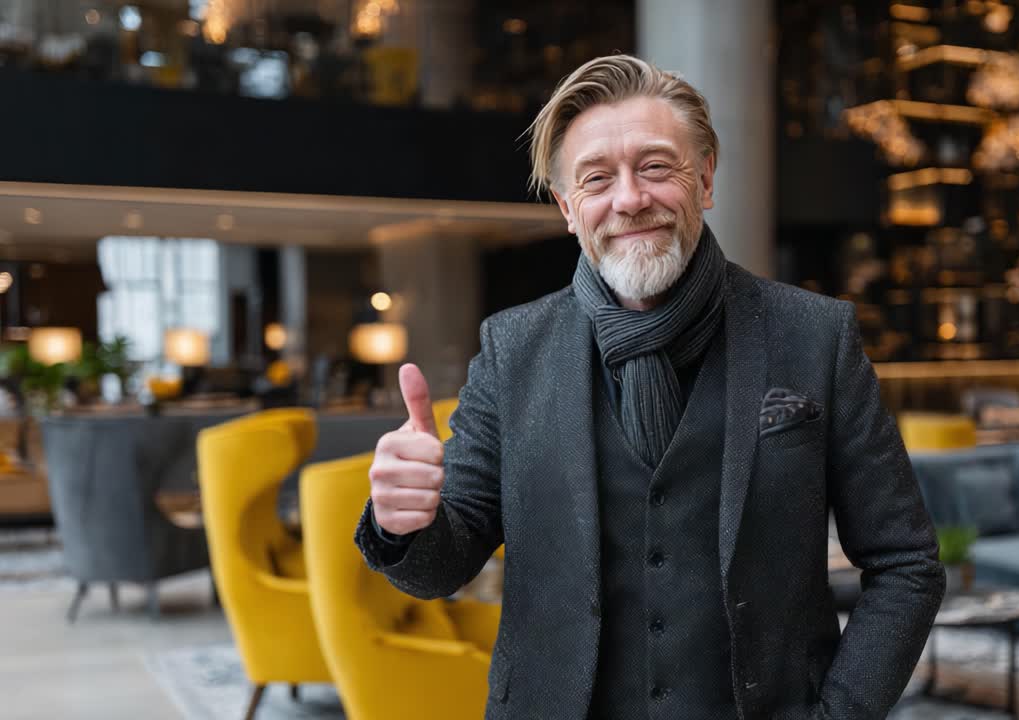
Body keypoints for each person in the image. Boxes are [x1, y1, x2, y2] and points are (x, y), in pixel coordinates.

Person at [355, 54, 944, 720]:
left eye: (656, 166)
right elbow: (442, 566)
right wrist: (404, 522)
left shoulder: (815, 335)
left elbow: (907, 564)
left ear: (707, 178)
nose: (630, 198)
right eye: (597, 178)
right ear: (570, 209)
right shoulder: (511, 351)